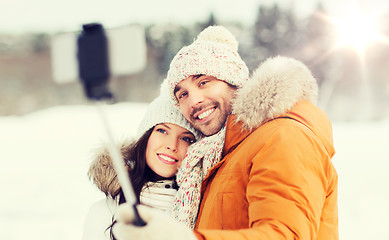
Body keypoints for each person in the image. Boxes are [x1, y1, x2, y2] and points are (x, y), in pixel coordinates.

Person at [113, 26, 339, 240]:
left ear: (235, 82)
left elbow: (284, 235)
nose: (194, 101)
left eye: (204, 82)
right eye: (182, 94)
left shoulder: (283, 136)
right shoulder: (218, 154)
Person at [82, 92, 200, 240]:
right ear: (145, 137)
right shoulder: (103, 212)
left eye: (186, 138)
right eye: (162, 131)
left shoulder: (202, 211)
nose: (172, 145)